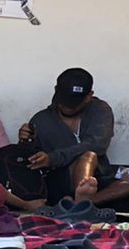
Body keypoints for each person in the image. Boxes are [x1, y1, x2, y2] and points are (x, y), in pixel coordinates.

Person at [20, 68, 117, 203]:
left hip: (99, 180)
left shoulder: (100, 110)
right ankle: (82, 206)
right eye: (64, 101)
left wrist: (53, 158)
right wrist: (25, 141)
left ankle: (82, 203)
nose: (68, 107)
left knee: (89, 156)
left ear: (89, 96)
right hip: (57, 182)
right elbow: (29, 161)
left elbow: (96, 145)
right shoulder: (41, 120)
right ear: (56, 91)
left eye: (74, 103)